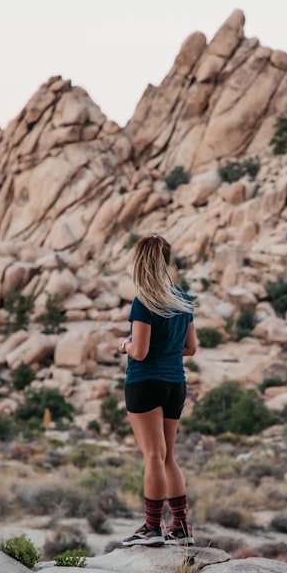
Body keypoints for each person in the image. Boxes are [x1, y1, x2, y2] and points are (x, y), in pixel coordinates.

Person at [117, 234, 198, 547]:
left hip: (145, 382)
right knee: (168, 457)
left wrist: (122, 344)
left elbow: (139, 350)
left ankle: (151, 528)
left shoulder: (145, 300)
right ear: (166, 261)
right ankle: (180, 528)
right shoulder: (182, 298)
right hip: (175, 383)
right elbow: (191, 348)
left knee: (152, 455)